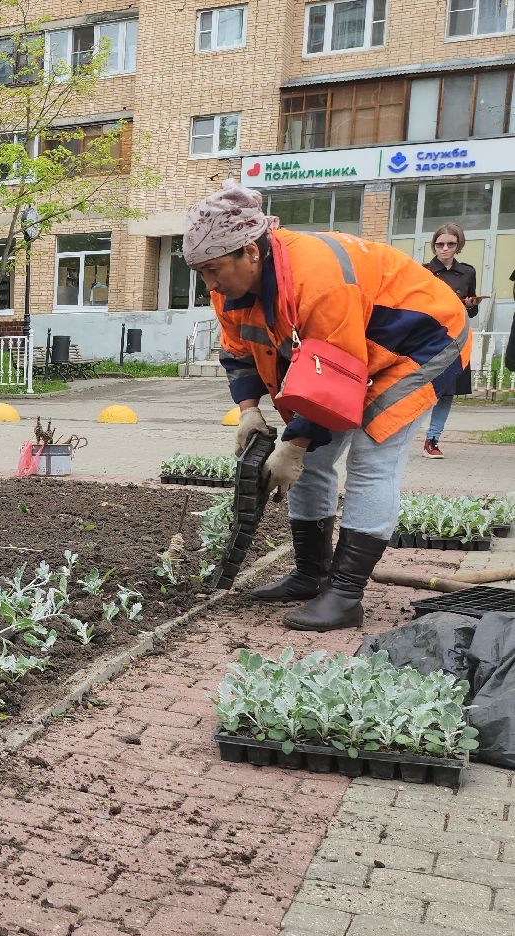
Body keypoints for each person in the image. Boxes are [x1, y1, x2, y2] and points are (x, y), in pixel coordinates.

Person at [187, 182, 470, 632]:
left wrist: (293, 446)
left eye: (214, 270)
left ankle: (345, 595)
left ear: (251, 252)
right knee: (314, 460)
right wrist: (248, 410)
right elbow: (239, 349)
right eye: (200, 272)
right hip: (350, 352)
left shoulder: (316, 276)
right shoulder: (229, 286)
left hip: (418, 343)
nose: (210, 283)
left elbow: (336, 374)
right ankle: (310, 573)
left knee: (371, 458)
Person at [420, 223, 480, 459]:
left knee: (447, 392)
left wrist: (470, 305)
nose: (445, 248)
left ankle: (432, 440)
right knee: (420, 389)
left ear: (459, 245)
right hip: (429, 338)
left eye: (450, 244)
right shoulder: (423, 271)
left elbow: (471, 313)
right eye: (440, 244)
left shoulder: (468, 272)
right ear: (434, 245)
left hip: (456, 338)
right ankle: (399, 436)